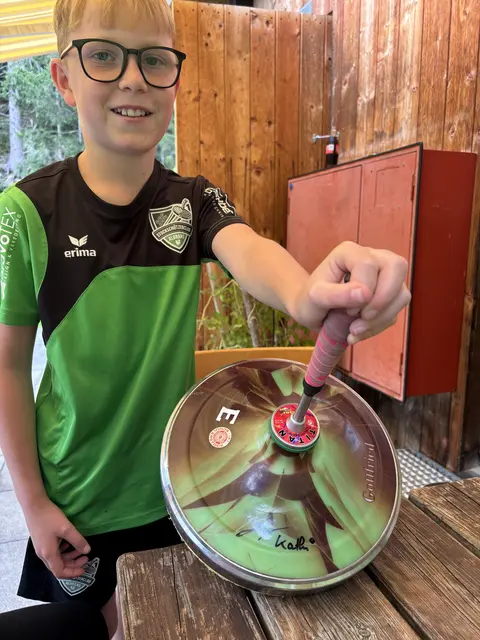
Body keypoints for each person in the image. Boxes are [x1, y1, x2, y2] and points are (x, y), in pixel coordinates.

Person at [0, 0, 411, 637]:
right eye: (103, 56)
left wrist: (309, 294)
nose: (133, 78)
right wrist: (32, 503)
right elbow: (6, 368)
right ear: (63, 77)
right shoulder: (25, 211)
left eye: (154, 60)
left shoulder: (193, 201)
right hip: (76, 499)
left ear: (175, 80)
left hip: (184, 489)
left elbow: (252, 252)